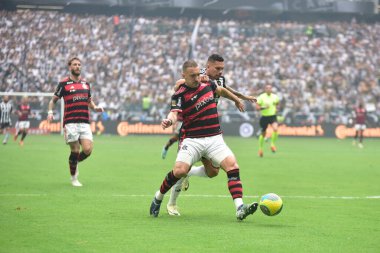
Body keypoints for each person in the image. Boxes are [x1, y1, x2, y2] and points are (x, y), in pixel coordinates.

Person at [150, 60, 258, 220]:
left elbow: (222, 91)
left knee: (232, 167)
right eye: (192, 76)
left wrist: (236, 100)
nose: (197, 78)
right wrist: (169, 121)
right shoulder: (179, 94)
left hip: (214, 138)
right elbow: (173, 113)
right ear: (184, 75)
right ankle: (158, 198)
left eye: (198, 75)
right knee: (180, 171)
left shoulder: (209, 85)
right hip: (192, 139)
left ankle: (240, 208)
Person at [47, 57, 103, 187]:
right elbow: (53, 101)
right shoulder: (64, 84)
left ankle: (73, 163)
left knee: (88, 149)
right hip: (70, 122)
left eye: (79, 64)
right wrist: (50, 112)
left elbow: (89, 101)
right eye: (75, 64)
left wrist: (95, 107)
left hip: (84, 122)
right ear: (70, 67)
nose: (77, 66)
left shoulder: (86, 84)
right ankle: (74, 178)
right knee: (75, 150)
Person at [256, 84, 280, 157]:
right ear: (265, 89)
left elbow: (277, 103)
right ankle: (260, 149)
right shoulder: (261, 97)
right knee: (263, 134)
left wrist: (276, 108)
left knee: (275, 129)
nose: (269, 89)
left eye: (270, 88)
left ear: (271, 89)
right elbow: (257, 108)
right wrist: (264, 107)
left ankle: (272, 144)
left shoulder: (275, 97)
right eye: (267, 88)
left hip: (272, 116)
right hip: (264, 117)